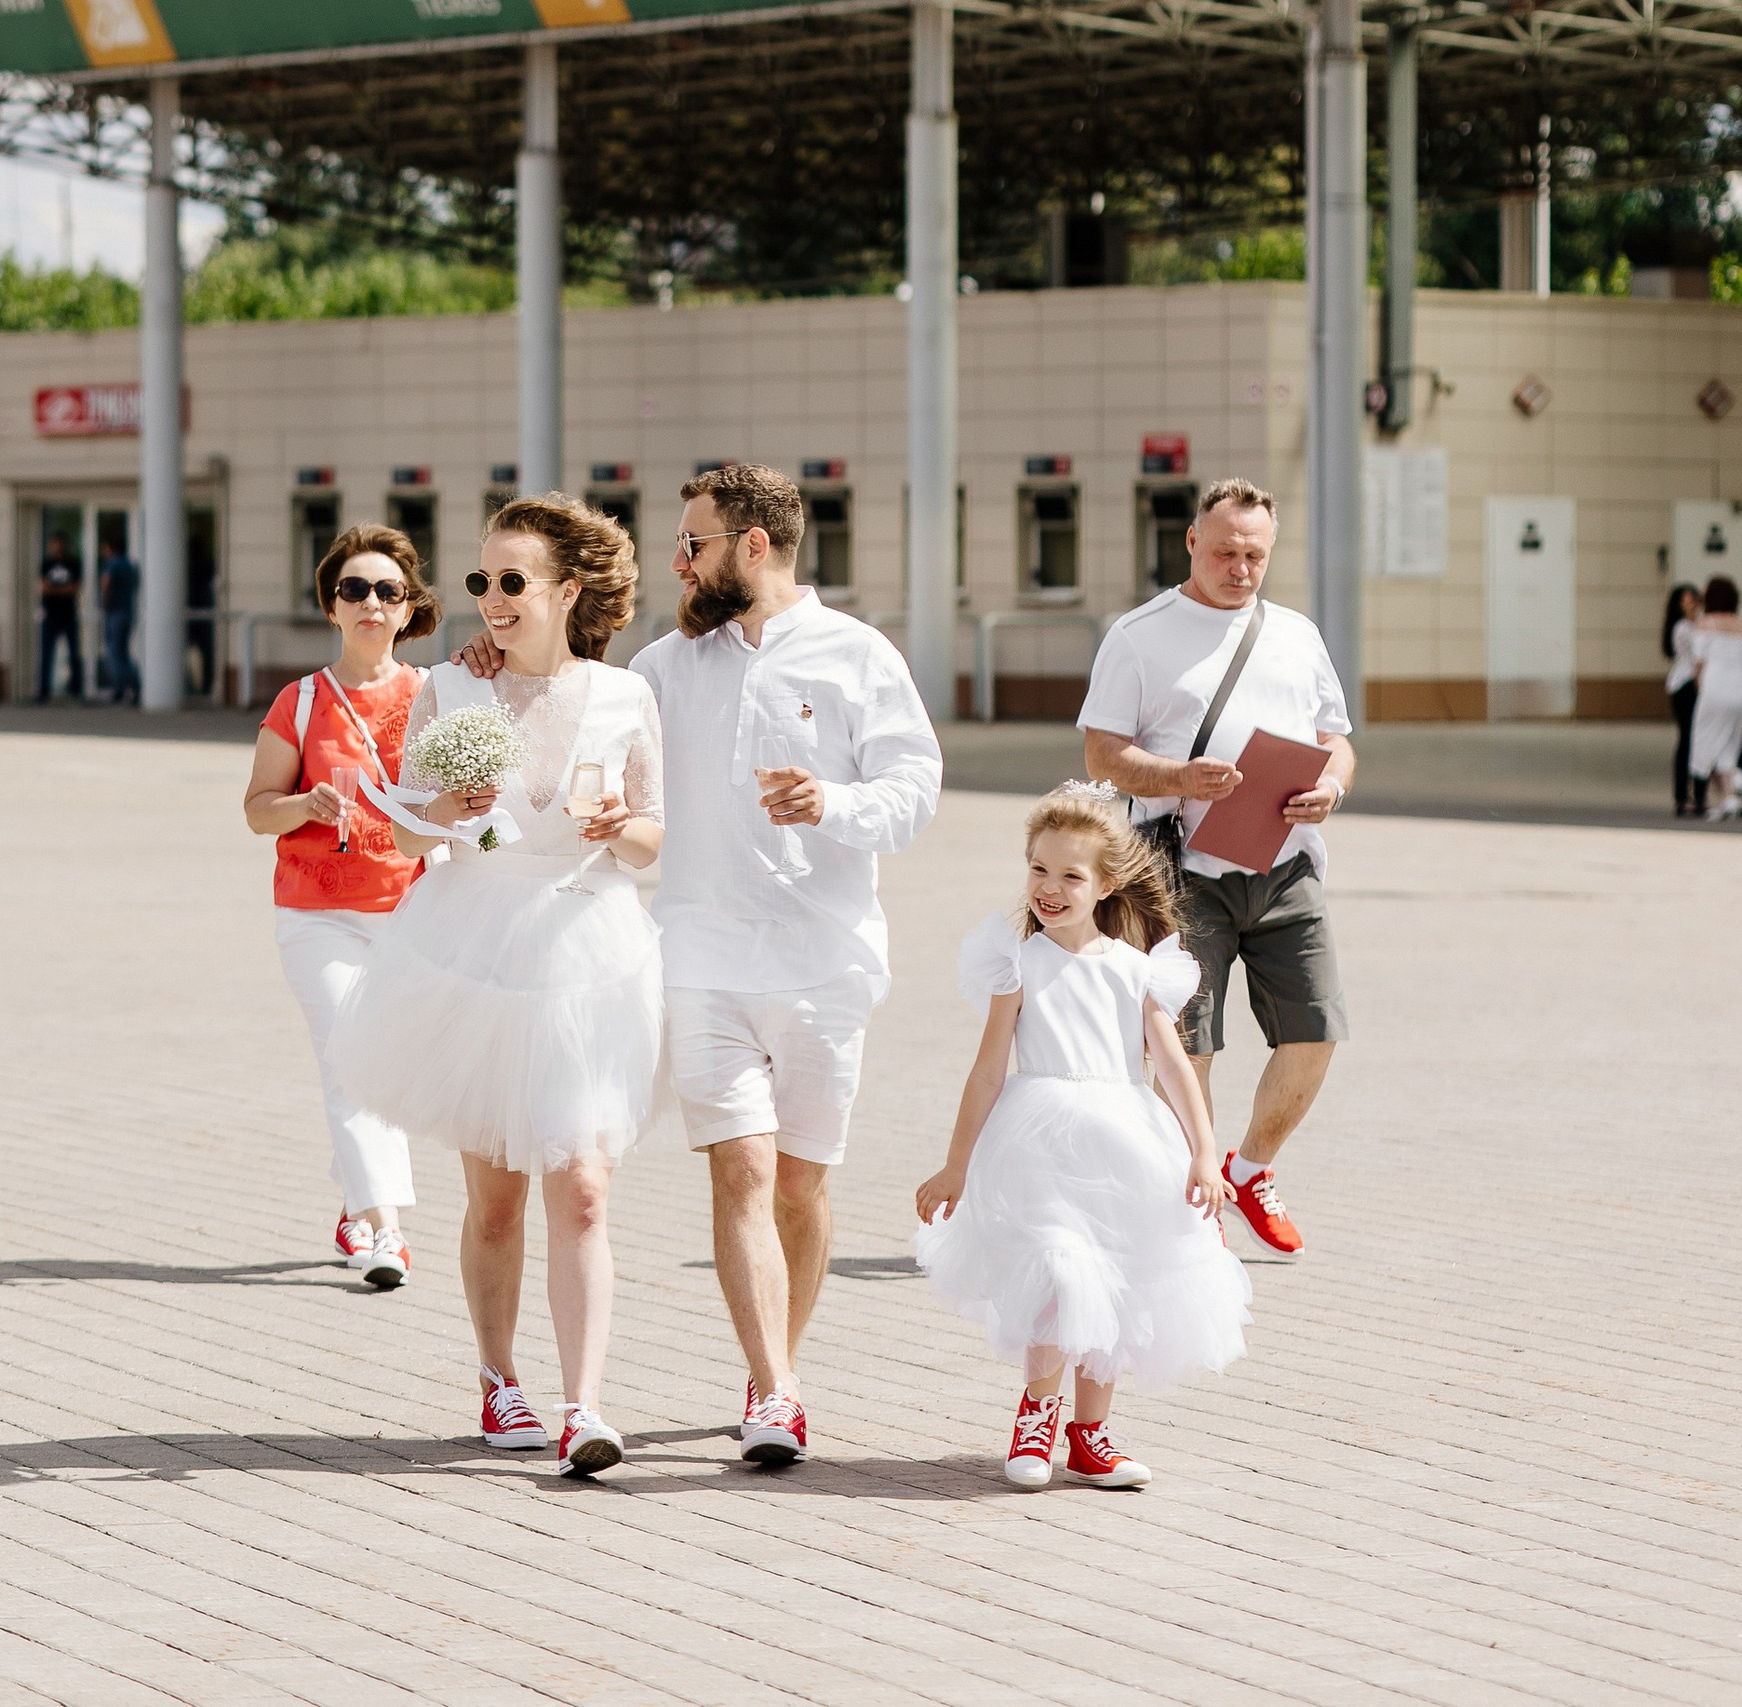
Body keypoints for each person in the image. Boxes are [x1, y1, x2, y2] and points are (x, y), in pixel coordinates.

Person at [457, 463, 943, 1467]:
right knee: (744, 1171)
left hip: (828, 961)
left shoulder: (857, 656)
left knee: (801, 1189)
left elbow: (916, 786)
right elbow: (564, 682)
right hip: (697, 956)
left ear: (753, 547)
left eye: (694, 542)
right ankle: (773, 1391)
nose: (679, 559)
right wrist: (488, 665)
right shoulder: (663, 671)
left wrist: (833, 805)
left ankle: (779, 1371)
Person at [338, 495, 666, 1477]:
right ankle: (498, 1380)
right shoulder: (450, 686)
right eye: (480, 581)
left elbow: (657, 838)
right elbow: (404, 833)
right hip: (477, 945)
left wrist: (621, 829)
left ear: (570, 590)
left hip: (587, 948)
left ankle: (585, 1407)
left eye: (511, 581)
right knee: (495, 1203)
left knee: (586, 1189)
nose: (490, 598)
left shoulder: (624, 697)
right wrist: (450, 804)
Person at [914, 783, 1251, 1491]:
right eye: (1039, 869)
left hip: (1124, 1144)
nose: (1051, 888)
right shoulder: (1017, 963)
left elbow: (1173, 1064)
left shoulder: (1136, 969)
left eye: (1071, 875)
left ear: (1106, 884)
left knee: (1114, 1278)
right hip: (1037, 1142)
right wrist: (955, 1165)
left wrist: (1202, 1151)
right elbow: (986, 1072)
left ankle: (1091, 1434)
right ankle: (1036, 1414)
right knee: (1058, 1274)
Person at [1080, 477, 1353, 1259]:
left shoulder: (1297, 633)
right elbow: (1102, 753)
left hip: (1286, 865)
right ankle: (1187, 1203)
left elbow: (1338, 740)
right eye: (1226, 551)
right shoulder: (1139, 634)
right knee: (1186, 1048)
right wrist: (1177, 777)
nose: (1240, 567)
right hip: (1184, 873)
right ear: (1192, 542)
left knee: (1316, 1031)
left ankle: (1250, 1168)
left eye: (1255, 555)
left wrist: (1331, 784)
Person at [242, 525, 438, 1289]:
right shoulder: (300, 701)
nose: (370, 602)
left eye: (387, 590)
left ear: (407, 607)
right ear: (330, 605)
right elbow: (258, 810)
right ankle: (386, 1229)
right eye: (354, 588)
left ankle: (355, 1199)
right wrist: (303, 804)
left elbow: (461, 807)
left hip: (410, 913)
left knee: (382, 1068)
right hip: (315, 915)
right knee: (349, 1057)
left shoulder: (432, 696)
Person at [1686, 577, 1742, 822]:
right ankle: (1729, 797)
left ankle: (1709, 796)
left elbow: (1698, 664)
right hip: (1741, 689)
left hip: (1715, 688)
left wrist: (1699, 688)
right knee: (1729, 745)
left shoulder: (1704, 625)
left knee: (1703, 740)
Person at [1662, 583, 1702, 817]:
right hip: (1685, 685)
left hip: (1687, 685)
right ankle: (1682, 796)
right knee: (1687, 740)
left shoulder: (1695, 625)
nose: (1693, 602)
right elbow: (1697, 653)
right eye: (1687, 599)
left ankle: (1692, 795)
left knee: (1693, 741)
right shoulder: (1683, 628)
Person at [35, 531, 85, 703]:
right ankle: (43, 692)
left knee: (73, 653)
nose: (57, 546)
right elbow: (42, 587)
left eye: (59, 542)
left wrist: (55, 589)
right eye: (54, 543)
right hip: (50, 615)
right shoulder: (46, 563)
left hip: (68, 614)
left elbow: (75, 588)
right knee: (46, 654)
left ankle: (76, 690)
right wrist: (62, 589)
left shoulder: (72, 563)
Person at [98, 541, 141, 706]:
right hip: (127, 612)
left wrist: (105, 605)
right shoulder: (129, 565)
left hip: (115, 613)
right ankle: (126, 687)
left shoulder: (113, 564)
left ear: (110, 549)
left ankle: (126, 686)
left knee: (115, 654)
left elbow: (106, 583)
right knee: (123, 653)